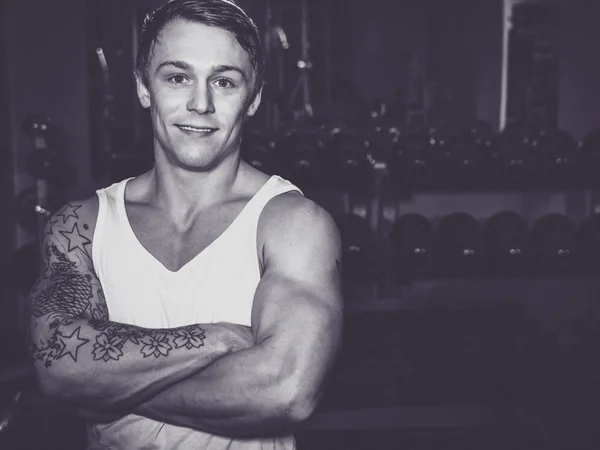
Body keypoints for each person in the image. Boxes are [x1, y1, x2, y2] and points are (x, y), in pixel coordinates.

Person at [22, 0, 344, 448]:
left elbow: (286, 391)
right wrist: (217, 339)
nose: (200, 103)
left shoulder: (292, 223)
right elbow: (57, 363)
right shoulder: (82, 225)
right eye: (177, 77)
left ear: (253, 98)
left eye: (224, 81)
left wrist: (111, 390)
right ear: (142, 87)